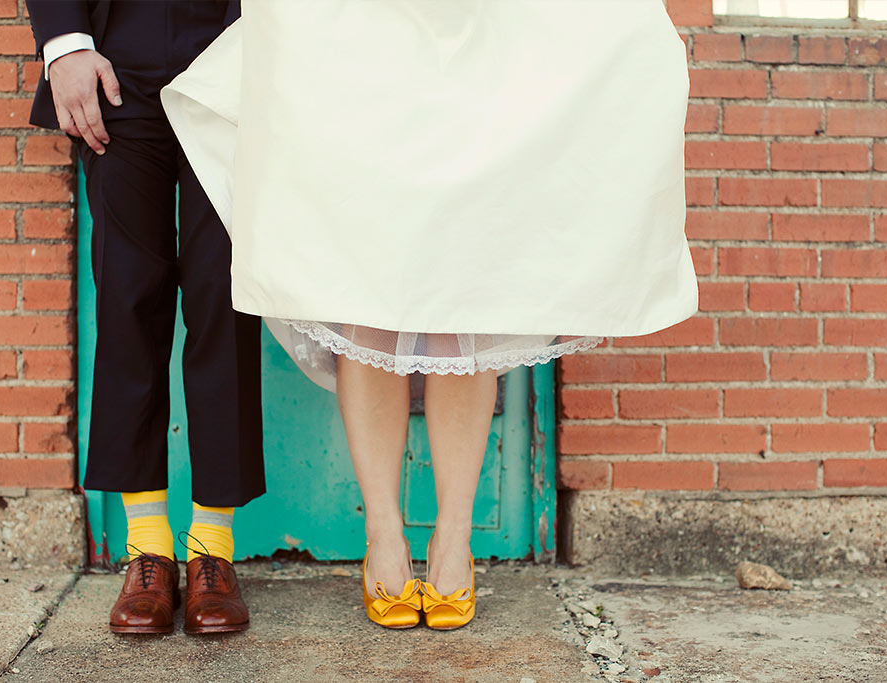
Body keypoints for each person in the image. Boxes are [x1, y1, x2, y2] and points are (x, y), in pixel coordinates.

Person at [163, 0, 696, 630]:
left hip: (478, 40)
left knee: (461, 288)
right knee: (366, 284)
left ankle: (453, 537)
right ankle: (383, 534)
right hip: (368, 42)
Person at [26, 0, 264, 635]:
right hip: (117, 56)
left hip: (235, 46)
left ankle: (213, 548)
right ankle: (148, 549)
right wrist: (63, 44)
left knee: (225, 294)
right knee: (130, 296)